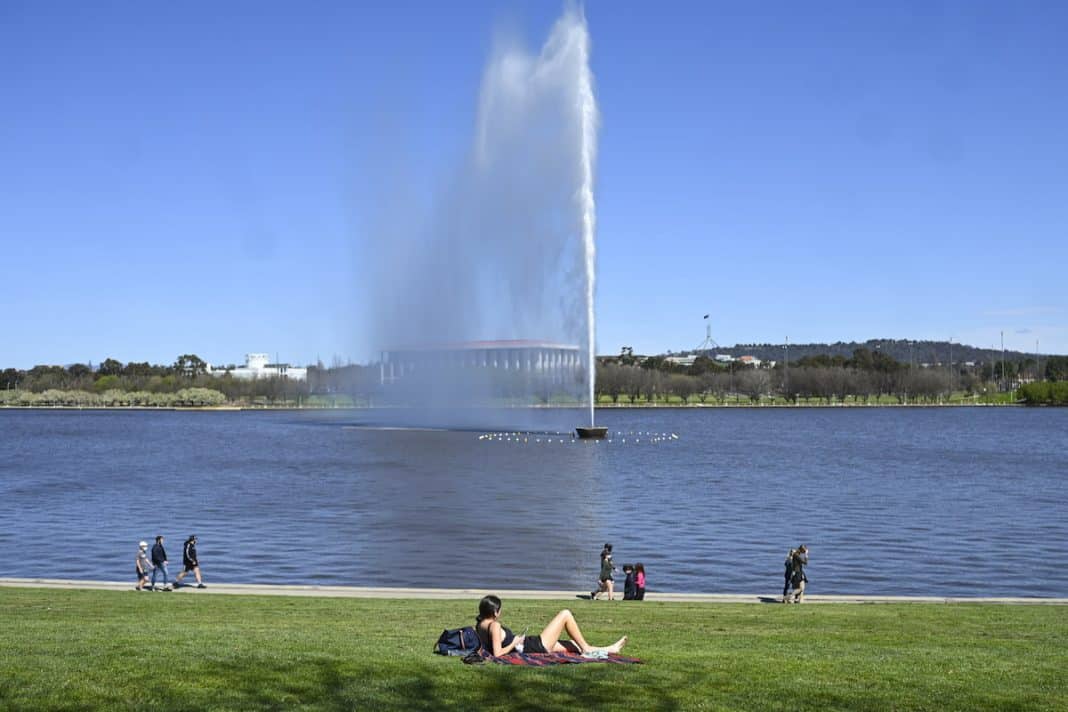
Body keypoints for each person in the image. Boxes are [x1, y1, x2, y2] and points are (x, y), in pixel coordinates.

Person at [474, 594, 627, 657]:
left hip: (528, 644)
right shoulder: (494, 626)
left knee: (574, 645)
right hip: (535, 646)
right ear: (495, 612)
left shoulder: (480, 624)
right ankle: (587, 649)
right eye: (499, 610)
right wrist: (514, 642)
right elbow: (497, 653)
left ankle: (610, 649)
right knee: (566, 614)